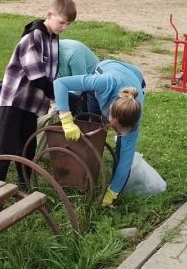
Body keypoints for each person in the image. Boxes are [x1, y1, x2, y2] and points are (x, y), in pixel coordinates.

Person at [0, 0, 77, 190]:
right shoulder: (33, 36)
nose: (64, 27)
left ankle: (24, 186)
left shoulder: (54, 39)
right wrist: (59, 96)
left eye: (68, 24)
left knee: (27, 148)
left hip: (32, 104)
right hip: (14, 101)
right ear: (49, 14)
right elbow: (37, 76)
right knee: (5, 149)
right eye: (62, 22)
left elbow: (51, 73)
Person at [53, 59, 145, 207]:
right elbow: (60, 83)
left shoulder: (134, 118)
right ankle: (87, 165)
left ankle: (113, 181)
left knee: (123, 149)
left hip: (135, 77)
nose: (115, 131)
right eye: (114, 126)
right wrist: (66, 118)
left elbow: (126, 161)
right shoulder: (104, 82)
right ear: (110, 108)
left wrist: (113, 192)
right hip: (107, 68)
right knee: (93, 122)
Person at [57, 39, 100, 116]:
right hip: (68, 80)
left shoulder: (73, 52)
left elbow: (79, 85)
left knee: (86, 113)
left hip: (91, 78)